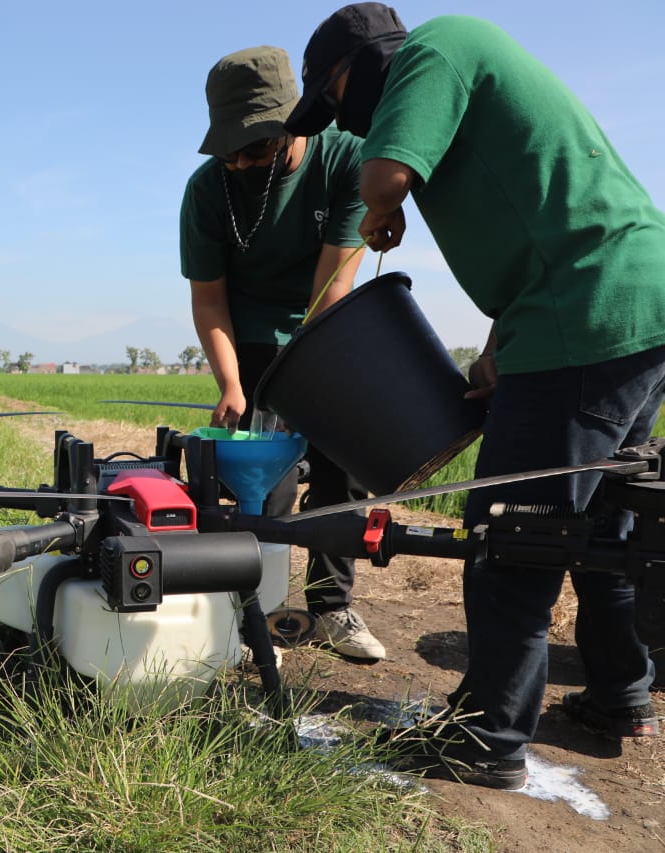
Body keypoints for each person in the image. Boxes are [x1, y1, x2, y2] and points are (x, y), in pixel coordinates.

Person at [287, 3, 665, 790]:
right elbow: (544, 214)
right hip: (630, 306)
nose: (344, 123)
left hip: (584, 317)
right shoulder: (471, 60)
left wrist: (381, 206)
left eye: (334, 101)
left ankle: (486, 736)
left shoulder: (436, 48)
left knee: (512, 533)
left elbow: (382, 177)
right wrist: (501, 341)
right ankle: (621, 695)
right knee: (599, 525)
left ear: (361, 66)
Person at [181, 46, 385, 660]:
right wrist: (232, 384)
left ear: (296, 123)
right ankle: (254, 613)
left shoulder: (346, 159)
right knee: (263, 484)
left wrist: (305, 383)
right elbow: (209, 301)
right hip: (247, 338)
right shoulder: (208, 190)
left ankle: (330, 606)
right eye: (231, 152)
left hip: (329, 329)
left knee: (339, 474)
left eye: (258, 148)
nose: (242, 163)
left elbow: (334, 284)